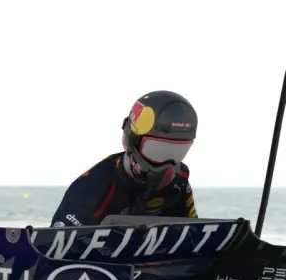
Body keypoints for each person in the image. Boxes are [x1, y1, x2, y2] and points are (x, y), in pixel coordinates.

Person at [51, 90, 199, 228]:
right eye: (157, 150)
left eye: (178, 151)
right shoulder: (90, 190)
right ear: (133, 141)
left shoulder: (179, 180)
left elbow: (192, 233)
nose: (168, 165)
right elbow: (58, 243)